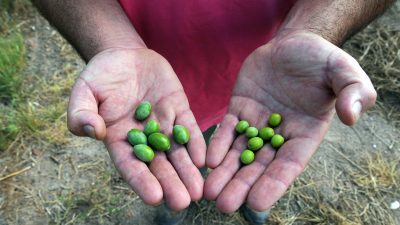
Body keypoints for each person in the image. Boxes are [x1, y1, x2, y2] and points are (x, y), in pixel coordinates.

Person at [32, 0, 394, 224]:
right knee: (186, 156)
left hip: (271, 80)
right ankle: (177, 207)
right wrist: (112, 42)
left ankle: (244, 203)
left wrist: (312, 29)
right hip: (152, 79)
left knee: (247, 156)